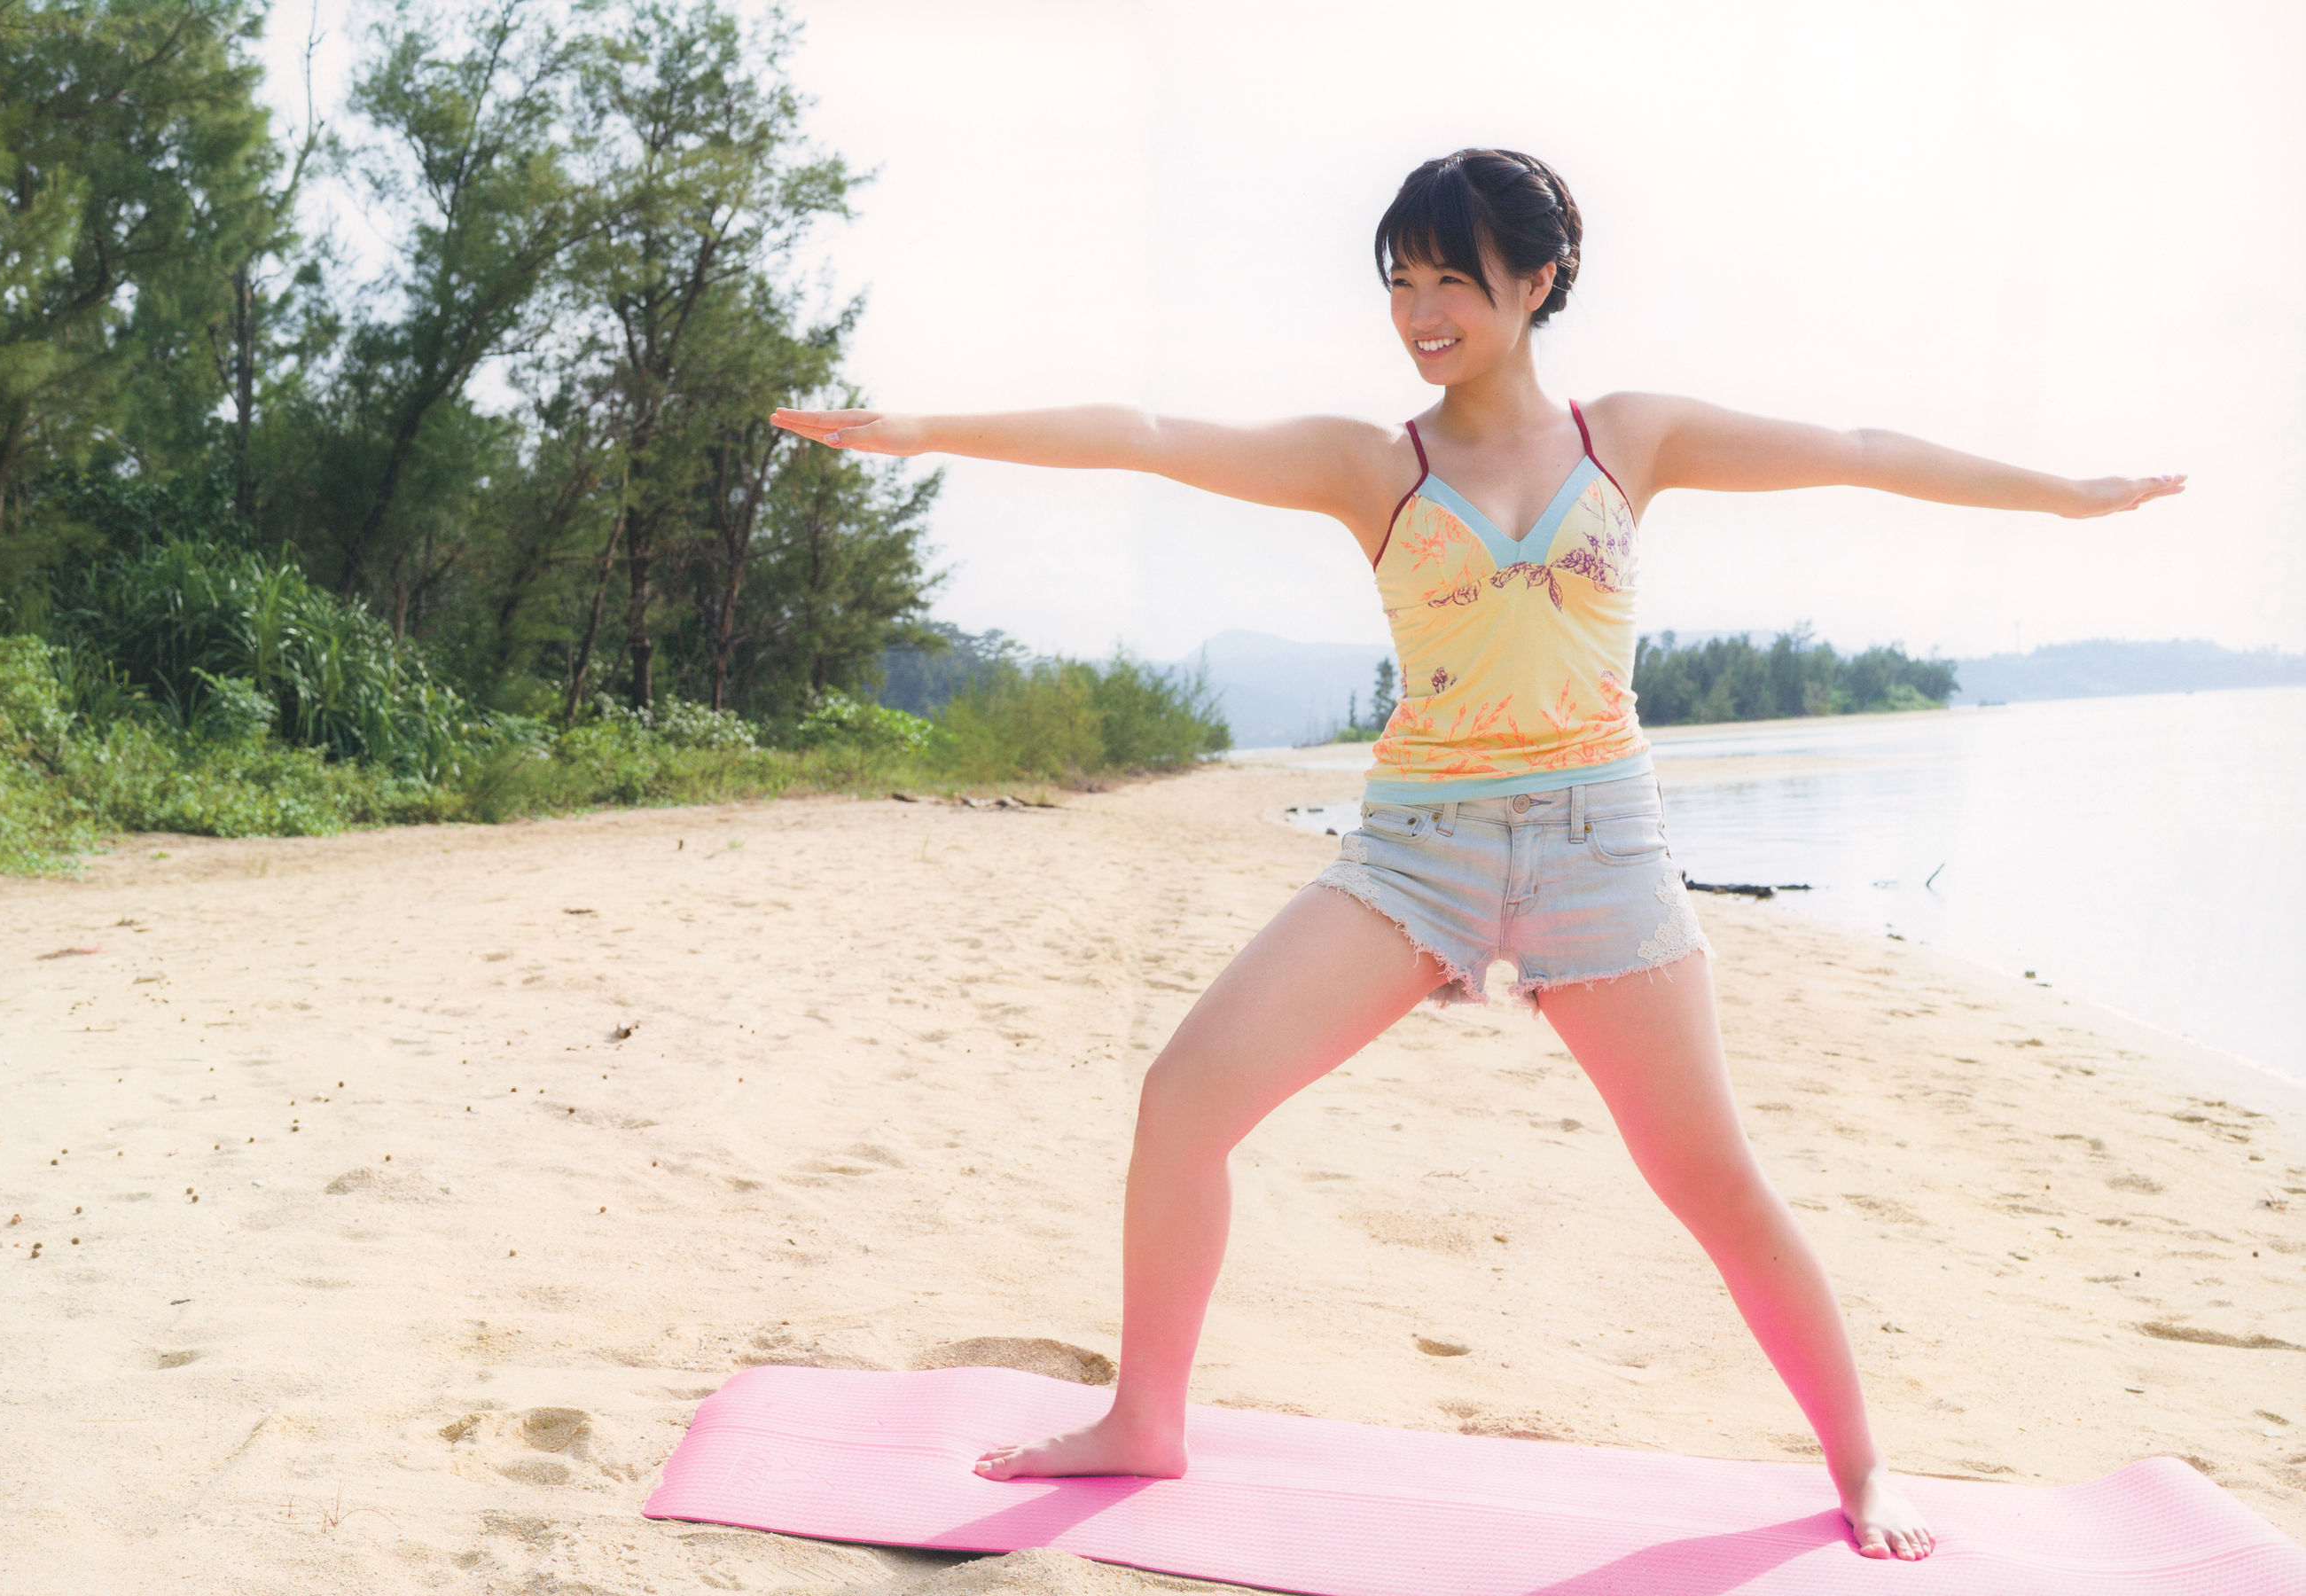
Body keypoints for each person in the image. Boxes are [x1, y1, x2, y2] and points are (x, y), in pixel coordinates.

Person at [770, 148, 2184, 1563]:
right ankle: (1145, 1416)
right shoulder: (1371, 463)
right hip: (1413, 857)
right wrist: (914, 430)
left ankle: (1865, 1466)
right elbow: (1144, 431)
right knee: (1184, 1096)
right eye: (1399, 280)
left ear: (1538, 279)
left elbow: (1863, 454)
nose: (1421, 308)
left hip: (1602, 853)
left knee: (1712, 1181)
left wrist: (2063, 494)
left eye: (1452, 277)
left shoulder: (1629, 437)